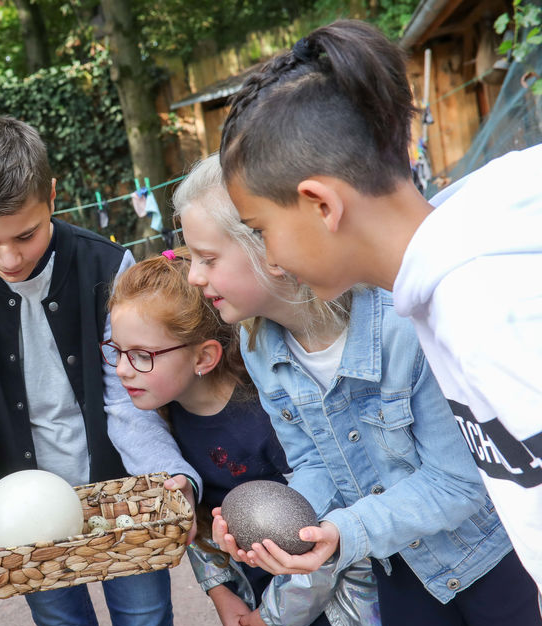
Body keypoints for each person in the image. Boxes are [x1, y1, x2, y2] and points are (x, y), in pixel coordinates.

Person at [183, 153, 542, 626]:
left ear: (267, 249)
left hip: (491, 549)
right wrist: (288, 527)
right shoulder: (259, 346)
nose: (193, 275)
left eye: (208, 258)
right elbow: (313, 462)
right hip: (399, 560)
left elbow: (459, 482)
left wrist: (342, 532)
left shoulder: (404, 322)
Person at [216, 18, 542, 593]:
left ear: (321, 204)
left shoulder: (481, 305)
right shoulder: (453, 268)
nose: (270, 257)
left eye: (261, 229)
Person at [0, 112, 194, 626]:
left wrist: (170, 475)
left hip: (120, 494)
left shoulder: (108, 265)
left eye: (25, 235)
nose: (9, 259)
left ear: (50, 196)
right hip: (20, 512)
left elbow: (127, 399)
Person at [107, 248, 392, 626]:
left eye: (142, 355)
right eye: (117, 351)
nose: (123, 370)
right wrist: (221, 593)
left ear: (204, 356)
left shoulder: (268, 416)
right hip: (255, 606)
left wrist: (278, 616)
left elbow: (322, 525)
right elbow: (201, 522)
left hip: (322, 609)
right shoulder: (166, 422)